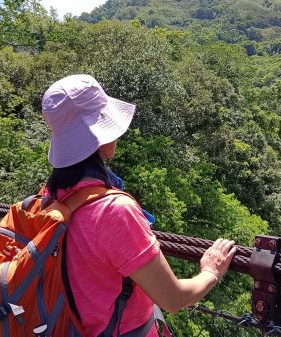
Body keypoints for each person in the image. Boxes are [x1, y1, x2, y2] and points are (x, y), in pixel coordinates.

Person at [41, 74, 237, 337]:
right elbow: (174, 299)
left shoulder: (49, 197)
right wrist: (211, 271)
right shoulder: (113, 212)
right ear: (99, 134)